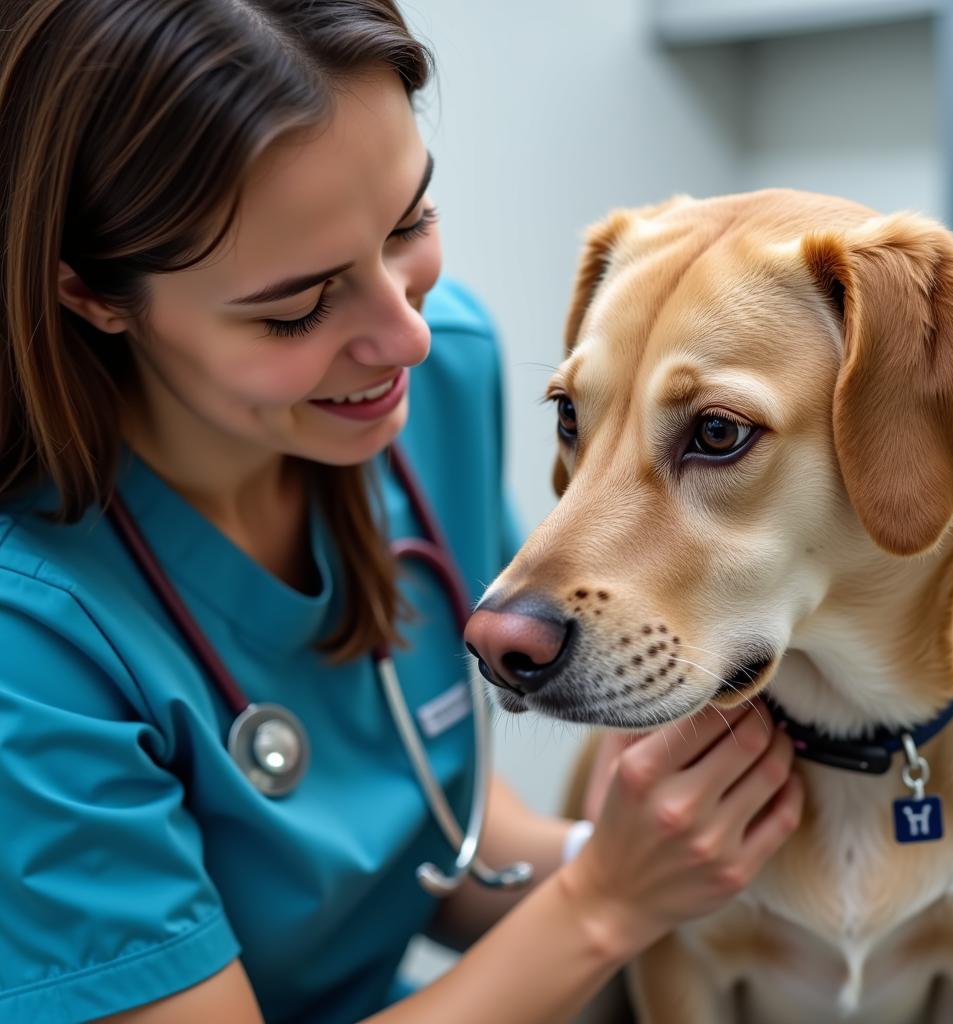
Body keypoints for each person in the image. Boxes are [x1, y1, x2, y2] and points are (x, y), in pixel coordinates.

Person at [0, 2, 805, 1022]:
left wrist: (655, 857)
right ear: (93, 293)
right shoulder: (28, 637)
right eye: (296, 306)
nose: (406, 334)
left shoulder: (442, 374)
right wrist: (607, 900)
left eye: (409, 225)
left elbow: (416, 833)